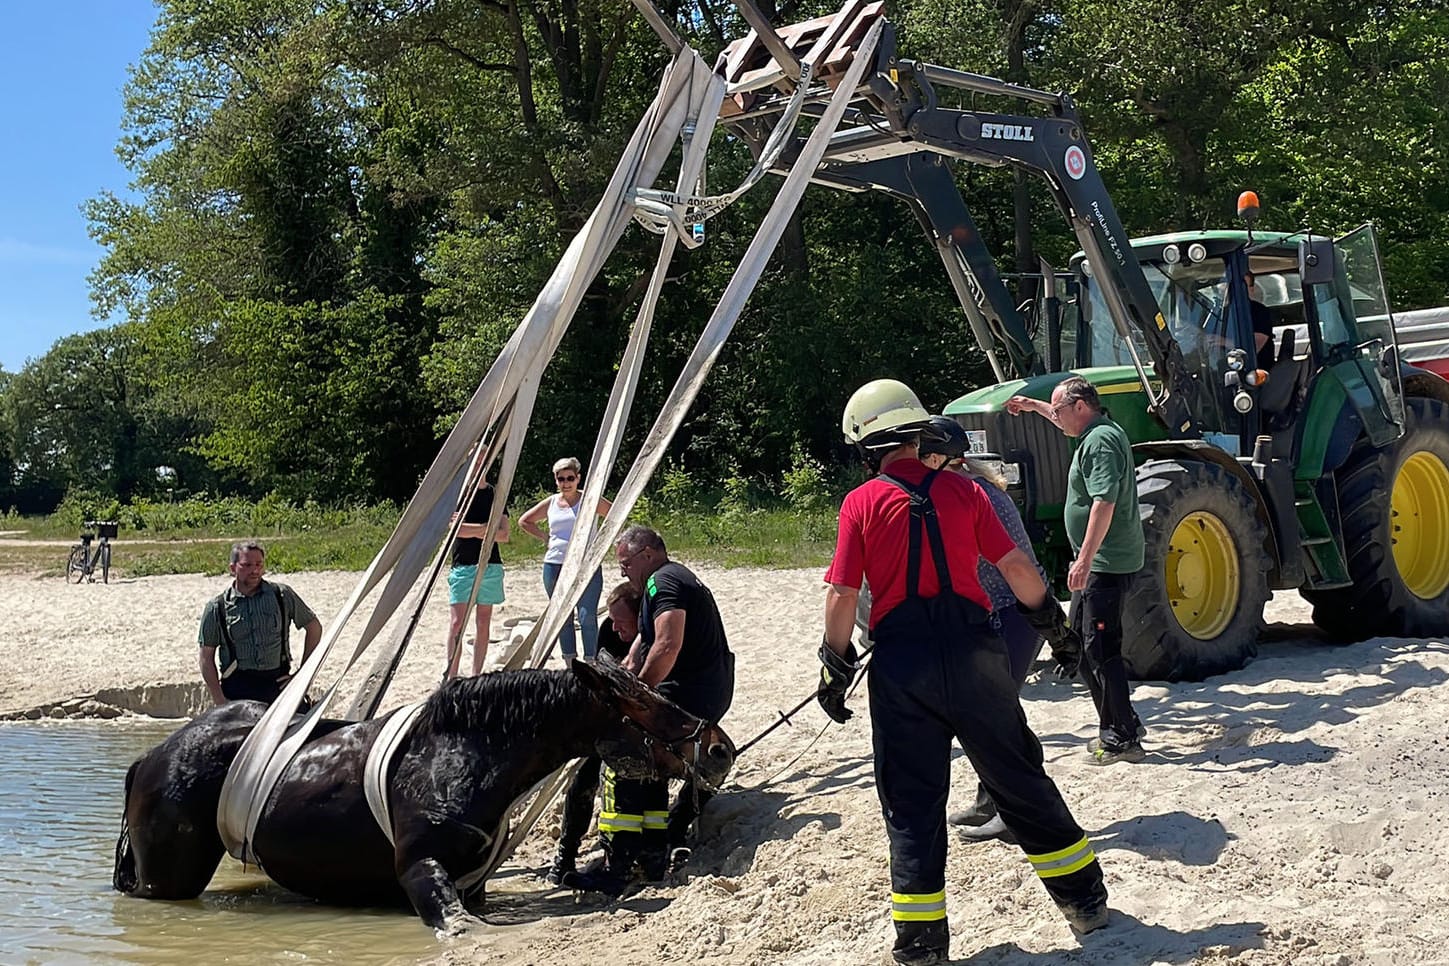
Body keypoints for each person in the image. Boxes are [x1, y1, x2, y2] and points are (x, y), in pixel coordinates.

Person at [820, 379, 1109, 965]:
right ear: (917, 430)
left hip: (903, 665)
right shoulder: (965, 491)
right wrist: (1055, 628)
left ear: (866, 443)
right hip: (978, 654)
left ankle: (922, 943)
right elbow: (1017, 568)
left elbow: (842, 596)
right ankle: (1085, 901)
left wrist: (835, 664)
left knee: (912, 801)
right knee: (1019, 778)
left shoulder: (862, 502)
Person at [915, 416, 1078, 842]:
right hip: (1003, 614)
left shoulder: (970, 494)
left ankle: (1013, 810)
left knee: (996, 715)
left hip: (1014, 614)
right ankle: (992, 800)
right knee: (992, 713)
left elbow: (1010, 567)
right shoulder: (965, 486)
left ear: (935, 457)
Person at [567, 525, 735, 896]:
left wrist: (636, 698)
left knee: (621, 762)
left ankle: (619, 864)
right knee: (652, 769)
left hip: (687, 696)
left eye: (626, 563)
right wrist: (626, 674)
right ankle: (653, 854)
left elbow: (668, 643)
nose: (623, 571)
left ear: (647, 554)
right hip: (704, 690)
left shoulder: (663, 582)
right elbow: (644, 642)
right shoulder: (664, 584)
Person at [1007, 375, 1147, 764]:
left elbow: (1104, 502)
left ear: (1081, 407)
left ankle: (1122, 737)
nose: (1056, 416)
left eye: (1059, 409)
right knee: (1083, 648)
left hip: (1106, 563)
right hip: (1099, 562)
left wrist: (1084, 559)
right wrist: (1034, 407)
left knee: (1102, 649)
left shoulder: (1100, 441)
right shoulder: (1093, 430)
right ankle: (1124, 721)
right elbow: (1060, 418)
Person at [547, 580, 641, 886]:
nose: (615, 630)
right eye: (611, 620)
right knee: (581, 783)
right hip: (609, 722)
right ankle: (565, 854)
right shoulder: (607, 632)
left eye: (621, 622)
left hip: (639, 727)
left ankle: (620, 856)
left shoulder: (651, 638)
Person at [198, 541, 323, 706]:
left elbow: (314, 628)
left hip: (278, 685)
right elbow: (206, 657)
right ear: (233, 568)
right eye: (247, 565)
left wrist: (302, 675)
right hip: (237, 690)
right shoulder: (217, 607)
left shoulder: (282, 595)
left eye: (259, 564)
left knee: (310, 729)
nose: (255, 570)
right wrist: (219, 699)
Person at [519, 458, 613, 659]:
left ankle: (592, 663)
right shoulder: (552, 502)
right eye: (561, 479)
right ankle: (570, 663)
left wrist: (600, 541)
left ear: (578, 478)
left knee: (587, 616)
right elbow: (525, 521)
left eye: (570, 478)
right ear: (556, 480)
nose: (566, 483)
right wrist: (545, 537)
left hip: (586, 565)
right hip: (555, 564)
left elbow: (614, 515)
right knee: (562, 618)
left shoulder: (590, 499)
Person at [444, 473, 509, 678]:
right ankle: (451, 675)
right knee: (457, 624)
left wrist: (473, 529)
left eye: (483, 457)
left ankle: (475, 674)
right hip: (463, 564)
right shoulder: (460, 493)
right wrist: (487, 529)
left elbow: (504, 534)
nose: (480, 463)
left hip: (490, 564)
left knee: (483, 621)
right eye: (477, 458)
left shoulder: (495, 493)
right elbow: (455, 530)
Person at [1245, 271, 1276, 370]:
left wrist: (1223, 342)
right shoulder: (1222, 313)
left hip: (1257, 372)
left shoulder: (1260, 312)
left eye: (1242, 286)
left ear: (1251, 289)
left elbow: (1255, 346)